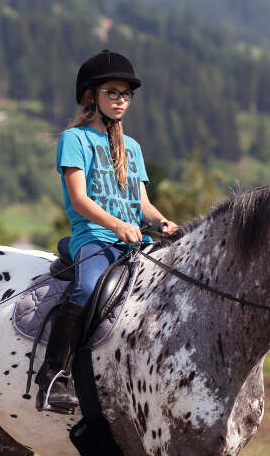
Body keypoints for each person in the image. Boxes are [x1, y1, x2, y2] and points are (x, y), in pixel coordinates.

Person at [36, 49, 178, 413]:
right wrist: (117, 224)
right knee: (86, 288)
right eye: (112, 92)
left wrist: (163, 222)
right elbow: (80, 199)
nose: (120, 100)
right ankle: (53, 374)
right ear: (91, 96)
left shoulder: (133, 148)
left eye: (126, 94)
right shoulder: (75, 140)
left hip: (134, 243)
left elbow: (142, 203)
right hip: (94, 239)